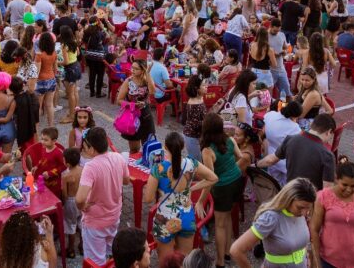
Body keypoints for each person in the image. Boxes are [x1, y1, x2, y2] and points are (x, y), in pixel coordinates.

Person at [144, 131, 218, 263]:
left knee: (165, 262)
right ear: (183, 147)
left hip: (165, 219)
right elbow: (213, 178)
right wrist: (191, 188)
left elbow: (148, 199)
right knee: (183, 262)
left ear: (165, 148)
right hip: (186, 217)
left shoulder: (158, 168)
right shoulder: (192, 164)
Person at [229, 178, 318, 268]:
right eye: (300, 207)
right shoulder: (271, 218)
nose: (304, 213)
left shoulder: (301, 214)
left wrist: (305, 257)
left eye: (308, 208)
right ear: (288, 198)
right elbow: (236, 250)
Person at [76, 127, 130, 265]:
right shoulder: (118, 157)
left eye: (85, 146)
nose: (84, 149)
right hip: (114, 217)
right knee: (111, 253)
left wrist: (82, 207)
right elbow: (126, 180)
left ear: (92, 149)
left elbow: (80, 198)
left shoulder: (91, 167)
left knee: (95, 261)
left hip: (95, 222)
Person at [310, 161, 354, 268]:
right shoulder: (323, 197)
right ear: (337, 179)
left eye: (353, 186)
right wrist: (316, 260)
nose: (348, 189)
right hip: (328, 261)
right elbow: (314, 229)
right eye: (345, 185)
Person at [198, 113, 244, 268]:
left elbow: (210, 179)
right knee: (228, 216)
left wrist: (200, 201)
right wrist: (229, 168)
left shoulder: (207, 150)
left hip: (223, 187)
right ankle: (227, 252)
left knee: (219, 224)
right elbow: (240, 156)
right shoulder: (230, 139)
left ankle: (220, 262)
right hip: (237, 180)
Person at [257, 113, 336, 190]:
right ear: (329, 132)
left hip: (290, 194)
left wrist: (254, 165)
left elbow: (270, 160)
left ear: (312, 124)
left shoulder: (290, 139)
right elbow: (327, 189)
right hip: (309, 199)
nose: (330, 139)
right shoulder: (327, 155)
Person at [116, 59, 156, 154]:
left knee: (149, 148)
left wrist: (148, 74)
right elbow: (119, 100)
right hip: (132, 116)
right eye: (132, 68)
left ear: (142, 70)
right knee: (134, 150)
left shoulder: (147, 80)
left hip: (146, 115)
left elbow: (152, 91)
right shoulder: (128, 81)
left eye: (136, 69)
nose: (132, 70)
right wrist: (132, 104)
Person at [262, 101, 303, 185]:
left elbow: (267, 117)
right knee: (286, 187)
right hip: (286, 162)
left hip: (271, 156)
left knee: (273, 184)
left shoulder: (271, 115)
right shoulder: (294, 128)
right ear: (295, 116)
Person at [30, 127, 66, 199]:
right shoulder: (44, 148)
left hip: (54, 184)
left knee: (54, 199)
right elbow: (42, 160)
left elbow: (64, 166)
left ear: (54, 141)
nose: (42, 142)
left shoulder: (58, 153)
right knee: (44, 198)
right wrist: (36, 166)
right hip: (44, 181)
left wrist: (50, 173)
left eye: (46, 140)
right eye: (42, 139)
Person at [61, 148, 83, 259]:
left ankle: (71, 250)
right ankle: (82, 246)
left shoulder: (65, 176)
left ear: (67, 163)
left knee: (71, 225)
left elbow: (64, 193)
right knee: (81, 222)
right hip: (81, 199)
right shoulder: (83, 170)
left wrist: (63, 204)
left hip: (70, 202)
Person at [35, 33, 58, 127]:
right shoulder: (54, 53)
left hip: (41, 80)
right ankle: (51, 126)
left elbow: (37, 71)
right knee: (50, 104)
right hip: (51, 79)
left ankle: (36, 128)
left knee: (38, 106)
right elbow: (55, 68)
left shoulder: (39, 55)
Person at [182, 75, 207, 161]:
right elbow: (196, 124)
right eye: (203, 85)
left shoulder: (200, 98)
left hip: (197, 136)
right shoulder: (195, 103)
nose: (206, 86)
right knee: (197, 162)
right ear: (197, 89)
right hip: (192, 136)